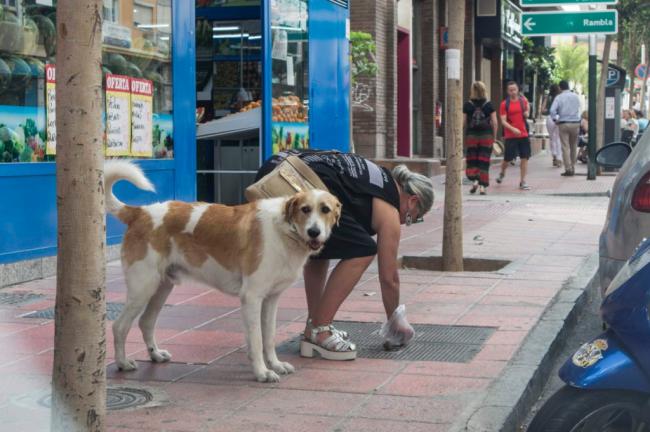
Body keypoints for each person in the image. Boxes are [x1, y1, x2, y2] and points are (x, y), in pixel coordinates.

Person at [255, 150, 435, 360]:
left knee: (319, 249)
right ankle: (321, 331)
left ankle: (313, 328)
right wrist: (395, 321)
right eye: (415, 217)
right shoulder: (390, 208)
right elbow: (389, 278)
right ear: (412, 201)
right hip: (295, 181)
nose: (407, 221)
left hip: (276, 171)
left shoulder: (379, 179)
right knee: (364, 249)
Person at [463, 81, 498, 195]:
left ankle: (475, 180)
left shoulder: (467, 105)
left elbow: (463, 123)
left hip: (472, 136)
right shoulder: (489, 105)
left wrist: (462, 137)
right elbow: (495, 122)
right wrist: (494, 137)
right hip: (486, 136)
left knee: (473, 160)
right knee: (484, 161)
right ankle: (482, 186)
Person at [496, 81, 531, 190]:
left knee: (524, 158)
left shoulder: (523, 100)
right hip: (511, 136)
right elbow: (503, 121)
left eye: (514, 89)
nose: (513, 92)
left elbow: (527, 108)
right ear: (507, 91)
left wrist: (527, 113)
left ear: (518, 90)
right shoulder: (504, 104)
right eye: (510, 90)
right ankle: (502, 172)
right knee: (507, 158)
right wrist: (513, 129)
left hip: (523, 134)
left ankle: (523, 181)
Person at [550, 80, 582, 177]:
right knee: (573, 146)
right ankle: (572, 167)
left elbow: (552, 110)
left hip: (563, 123)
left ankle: (568, 169)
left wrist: (555, 119)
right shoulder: (576, 96)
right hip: (575, 123)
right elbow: (580, 108)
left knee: (565, 147)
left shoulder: (559, 97)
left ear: (560, 88)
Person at [543, 84, 562, 168]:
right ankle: (559, 158)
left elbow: (542, 110)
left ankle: (554, 155)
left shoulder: (547, 98)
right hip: (558, 117)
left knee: (552, 138)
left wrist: (548, 109)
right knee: (558, 138)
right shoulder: (560, 97)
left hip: (549, 118)